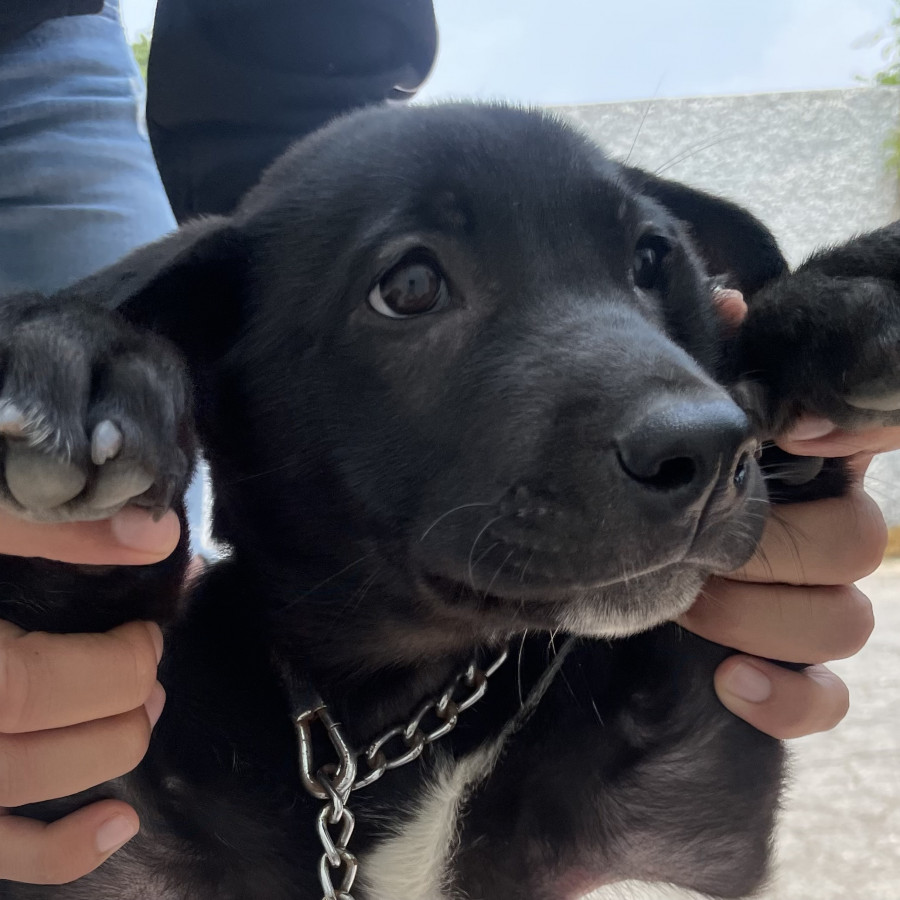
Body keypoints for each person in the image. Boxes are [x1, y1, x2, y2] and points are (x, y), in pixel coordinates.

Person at [0, 0, 888, 885]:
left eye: (647, 268)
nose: (696, 425)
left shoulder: (620, 700)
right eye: (414, 287)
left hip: (50, 37)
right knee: (79, 473)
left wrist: (794, 404)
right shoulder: (174, 757)